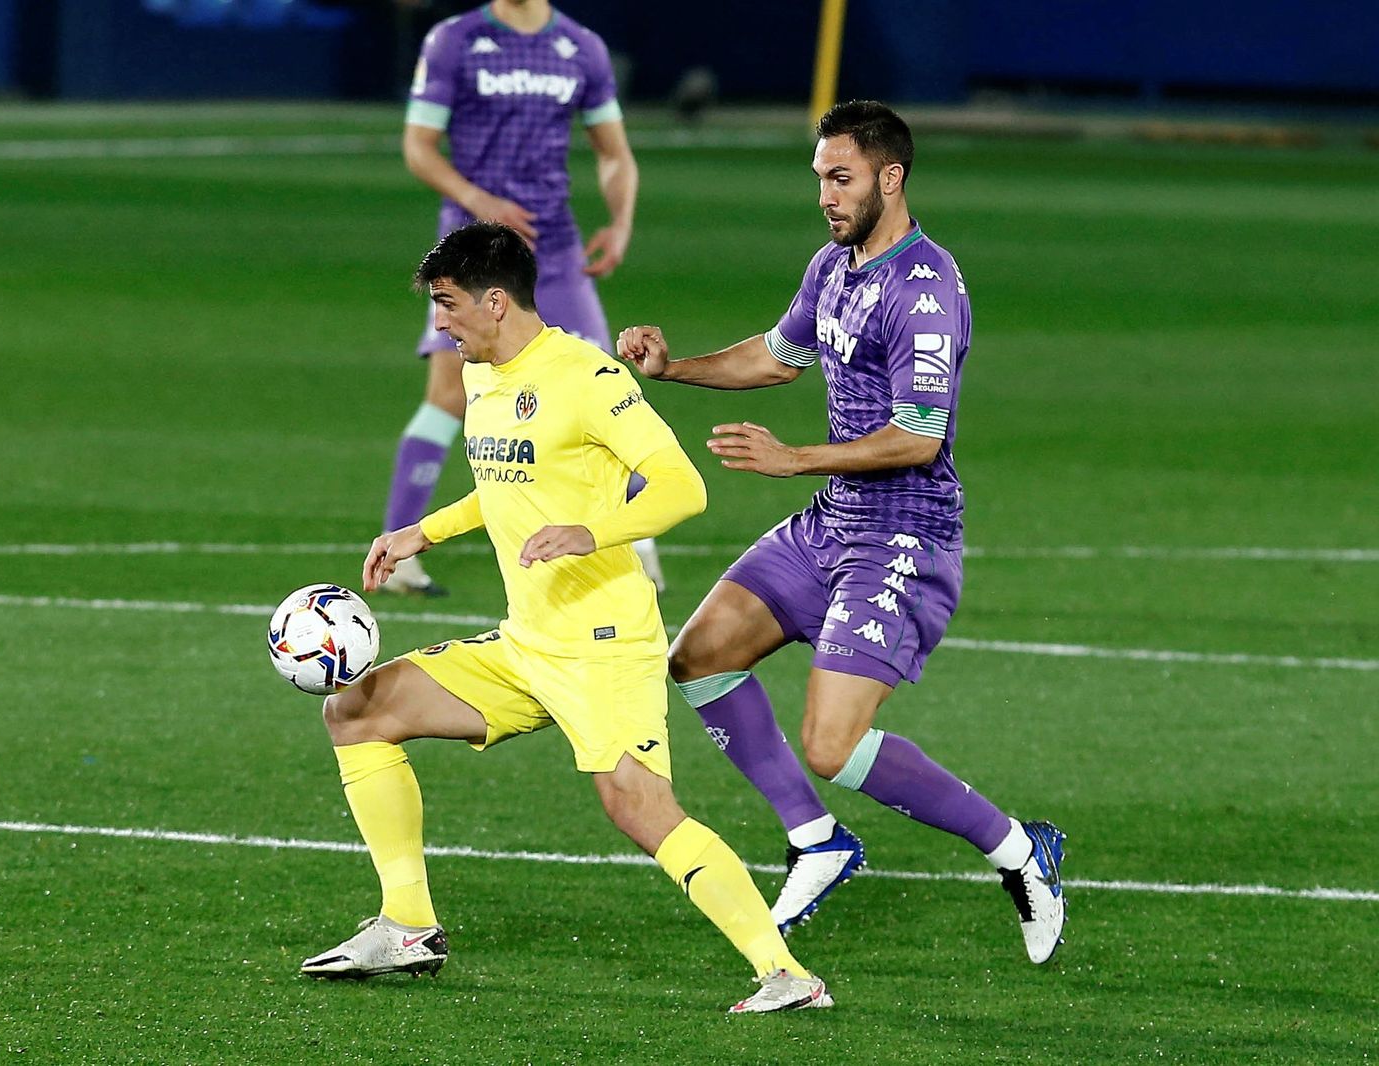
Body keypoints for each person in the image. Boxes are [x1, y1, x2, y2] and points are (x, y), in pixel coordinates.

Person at [302, 222, 830, 1013]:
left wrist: (592, 530)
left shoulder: (589, 376)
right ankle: (407, 925)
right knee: (357, 709)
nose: (439, 322)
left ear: (494, 300)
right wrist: (426, 530)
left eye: (447, 305)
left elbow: (682, 485)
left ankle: (786, 975)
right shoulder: (482, 374)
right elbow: (510, 481)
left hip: (604, 643)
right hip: (528, 642)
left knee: (640, 808)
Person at [615, 101, 1067, 964]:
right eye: (820, 177)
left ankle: (1018, 850)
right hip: (833, 525)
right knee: (700, 655)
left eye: (841, 177)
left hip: (904, 535)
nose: (825, 194)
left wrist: (795, 460)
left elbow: (919, 437)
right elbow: (776, 356)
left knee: (830, 743)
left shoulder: (924, 290)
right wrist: (675, 368)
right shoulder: (835, 265)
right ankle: (819, 842)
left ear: (890, 178)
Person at [379, 0, 666, 597]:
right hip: (471, 252)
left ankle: (635, 541)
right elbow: (419, 146)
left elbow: (613, 152)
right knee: (447, 392)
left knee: (605, 386)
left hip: (553, 250)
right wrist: (475, 197)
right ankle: (399, 549)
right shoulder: (455, 40)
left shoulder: (582, 48)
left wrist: (620, 220)